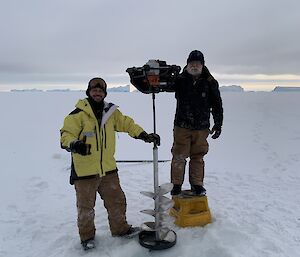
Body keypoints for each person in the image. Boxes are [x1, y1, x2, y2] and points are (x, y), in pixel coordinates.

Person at [60, 77, 160, 250]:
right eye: (94, 90)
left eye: (100, 90)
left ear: (104, 93)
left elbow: (127, 124)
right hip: (85, 173)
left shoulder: (111, 113)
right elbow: (66, 136)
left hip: (108, 169)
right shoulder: (77, 115)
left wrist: (143, 135)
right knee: (86, 208)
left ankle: (120, 229)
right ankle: (87, 237)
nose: (97, 92)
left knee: (117, 201)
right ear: (88, 92)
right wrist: (75, 145)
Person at [169, 50, 223, 196]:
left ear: (202, 65)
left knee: (198, 156)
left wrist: (218, 124)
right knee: (179, 155)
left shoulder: (210, 82)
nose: (194, 66)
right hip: (182, 126)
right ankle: (176, 185)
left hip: (201, 127)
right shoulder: (179, 80)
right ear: (187, 64)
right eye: (191, 63)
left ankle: (197, 184)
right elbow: (165, 86)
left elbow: (217, 104)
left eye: (197, 63)